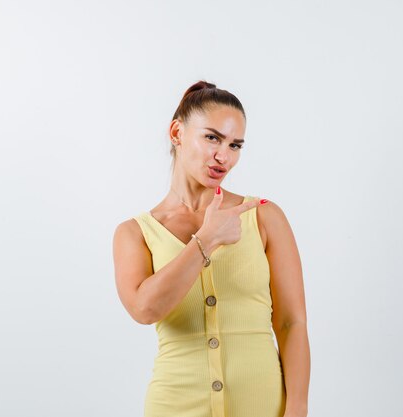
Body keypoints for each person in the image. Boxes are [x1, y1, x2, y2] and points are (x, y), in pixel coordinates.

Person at [112, 80, 310, 417]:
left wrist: (297, 409)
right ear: (177, 132)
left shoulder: (262, 215)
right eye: (212, 137)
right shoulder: (135, 233)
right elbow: (144, 310)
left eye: (235, 145)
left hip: (261, 404)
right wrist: (206, 240)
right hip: (175, 404)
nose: (224, 156)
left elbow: (291, 323)